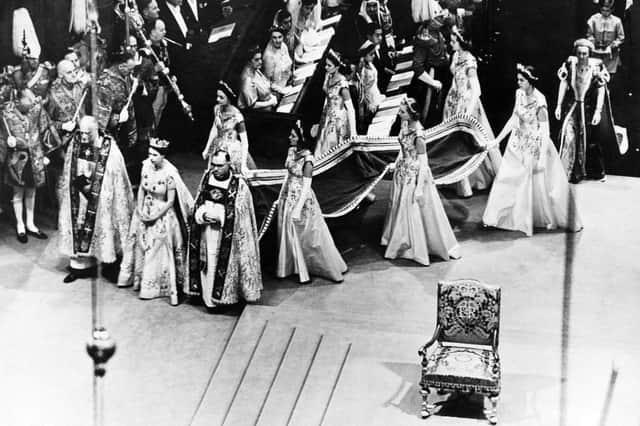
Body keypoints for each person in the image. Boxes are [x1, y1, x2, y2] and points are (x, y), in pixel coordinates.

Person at [483, 64, 583, 237]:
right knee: (508, 178)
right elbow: (514, 118)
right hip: (517, 143)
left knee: (535, 185)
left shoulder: (540, 101)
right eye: (518, 80)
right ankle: (501, 217)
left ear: (530, 81)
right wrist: (497, 140)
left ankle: (526, 220)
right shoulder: (519, 94)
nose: (519, 83)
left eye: (522, 80)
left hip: (535, 145)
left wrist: (542, 158)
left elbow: (545, 132)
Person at [381, 97, 460, 265]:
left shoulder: (419, 136)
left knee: (412, 210)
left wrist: (418, 188)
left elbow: (423, 163)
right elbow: (402, 148)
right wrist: (395, 164)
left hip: (414, 175)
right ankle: (399, 240)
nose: (399, 113)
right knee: (399, 207)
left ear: (411, 114)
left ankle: (416, 248)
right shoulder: (404, 125)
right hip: (402, 172)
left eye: (402, 111)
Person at [58, 116, 135, 283]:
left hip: (100, 197)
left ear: (96, 131)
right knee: (79, 226)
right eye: (82, 132)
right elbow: (69, 166)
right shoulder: (76, 142)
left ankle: (107, 262)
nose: (84, 137)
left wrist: (94, 186)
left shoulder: (109, 148)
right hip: (80, 196)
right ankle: (80, 267)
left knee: (102, 226)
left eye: (88, 133)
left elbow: (115, 175)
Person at [118, 138, 193, 305]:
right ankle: (138, 279)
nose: (151, 158)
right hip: (145, 210)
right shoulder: (146, 166)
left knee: (156, 249)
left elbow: (170, 201)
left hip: (162, 214)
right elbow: (141, 191)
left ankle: (157, 287)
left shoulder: (170, 174)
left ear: (163, 156)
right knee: (140, 245)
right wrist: (139, 209)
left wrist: (154, 216)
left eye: (155, 155)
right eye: (150, 154)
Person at [187, 149, 262, 308]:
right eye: (213, 164)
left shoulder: (239, 184)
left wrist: (220, 216)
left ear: (229, 164)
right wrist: (202, 215)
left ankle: (222, 299)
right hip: (206, 231)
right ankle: (209, 301)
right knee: (206, 264)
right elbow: (198, 201)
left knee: (217, 264)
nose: (215, 169)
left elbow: (241, 212)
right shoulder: (207, 177)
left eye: (220, 165)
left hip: (226, 236)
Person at [277, 122, 347, 283]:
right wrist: (282, 194)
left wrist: (297, 209)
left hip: (302, 200)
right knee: (289, 232)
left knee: (310, 237)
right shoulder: (292, 151)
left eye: (293, 135)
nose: (290, 138)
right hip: (288, 196)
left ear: (301, 137)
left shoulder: (308, 159)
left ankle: (320, 267)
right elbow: (287, 175)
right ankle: (293, 266)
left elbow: (307, 186)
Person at [442, 27, 501, 197]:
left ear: (461, 42)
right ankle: (460, 182)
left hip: (467, 103)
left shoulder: (469, 62)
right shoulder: (456, 56)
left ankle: (477, 179)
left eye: (454, 41)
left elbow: (477, 90)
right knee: (455, 142)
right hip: (454, 100)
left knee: (470, 141)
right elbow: (455, 79)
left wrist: (467, 111)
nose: (451, 44)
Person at [1, 89, 60, 242]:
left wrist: (46, 153)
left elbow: (46, 128)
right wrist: (8, 142)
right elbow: (1, 136)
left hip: (35, 155)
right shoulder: (6, 113)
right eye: (29, 100)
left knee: (32, 191)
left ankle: (31, 224)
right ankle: (20, 225)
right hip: (16, 158)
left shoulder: (36, 109)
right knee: (18, 192)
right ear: (19, 100)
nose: (33, 102)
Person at [555, 38, 617, 183]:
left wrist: (597, 110)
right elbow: (563, 83)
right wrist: (558, 105)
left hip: (587, 108)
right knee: (568, 136)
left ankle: (592, 172)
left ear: (589, 54)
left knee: (590, 141)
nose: (582, 56)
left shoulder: (596, 67)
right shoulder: (570, 64)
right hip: (572, 107)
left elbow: (601, 89)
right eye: (579, 53)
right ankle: (567, 171)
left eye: (585, 53)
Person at [202, 81, 255, 173]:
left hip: (232, 151)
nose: (218, 99)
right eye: (217, 96)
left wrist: (243, 165)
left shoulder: (237, 116)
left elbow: (245, 142)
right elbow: (214, 130)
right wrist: (207, 148)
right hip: (217, 147)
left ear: (229, 98)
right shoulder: (217, 109)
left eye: (221, 97)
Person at [313, 49, 356, 158]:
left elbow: (350, 109)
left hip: (338, 121)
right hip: (327, 117)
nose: (326, 68)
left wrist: (354, 132)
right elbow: (327, 98)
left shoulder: (342, 84)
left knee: (333, 148)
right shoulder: (328, 77)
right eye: (326, 65)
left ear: (337, 68)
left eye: (329, 65)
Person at [95, 49, 139, 150]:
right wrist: (117, 118)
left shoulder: (124, 77)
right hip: (110, 135)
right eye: (130, 69)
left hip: (123, 130)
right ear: (121, 67)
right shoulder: (105, 84)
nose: (131, 72)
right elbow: (101, 117)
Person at [411, 14, 450, 125]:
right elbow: (417, 66)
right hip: (430, 82)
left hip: (442, 77)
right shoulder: (423, 35)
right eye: (438, 15)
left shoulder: (437, 31)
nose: (442, 17)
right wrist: (432, 82)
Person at [587, 0, 625, 77]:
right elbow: (589, 35)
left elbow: (621, 38)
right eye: (603, 10)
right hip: (596, 52)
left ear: (612, 10)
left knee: (609, 76)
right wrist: (593, 42)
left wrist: (613, 45)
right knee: (596, 75)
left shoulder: (617, 21)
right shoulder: (593, 19)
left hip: (611, 54)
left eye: (608, 10)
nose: (605, 13)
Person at [356, 41, 385, 132]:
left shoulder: (370, 64)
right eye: (371, 54)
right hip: (370, 98)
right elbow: (362, 89)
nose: (373, 56)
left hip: (376, 93)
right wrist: (368, 103)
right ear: (364, 56)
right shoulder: (363, 70)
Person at [238, 46, 279, 110]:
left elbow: (265, 85)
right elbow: (252, 105)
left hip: (266, 103)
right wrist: (270, 102)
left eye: (260, 58)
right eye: (256, 60)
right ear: (249, 62)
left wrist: (271, 97)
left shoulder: (255, 69)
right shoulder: (247, 80)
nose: (260, 62)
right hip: (254, 113)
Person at [262, 26, 293, 98]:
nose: (278, 40)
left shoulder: (283, 46)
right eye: (274, 37)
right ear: (271, 38)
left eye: (280, 37)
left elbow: (288, 64)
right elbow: (268, 81)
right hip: (277, 92)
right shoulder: (268, 56)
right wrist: (281, 90)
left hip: (288, 84)